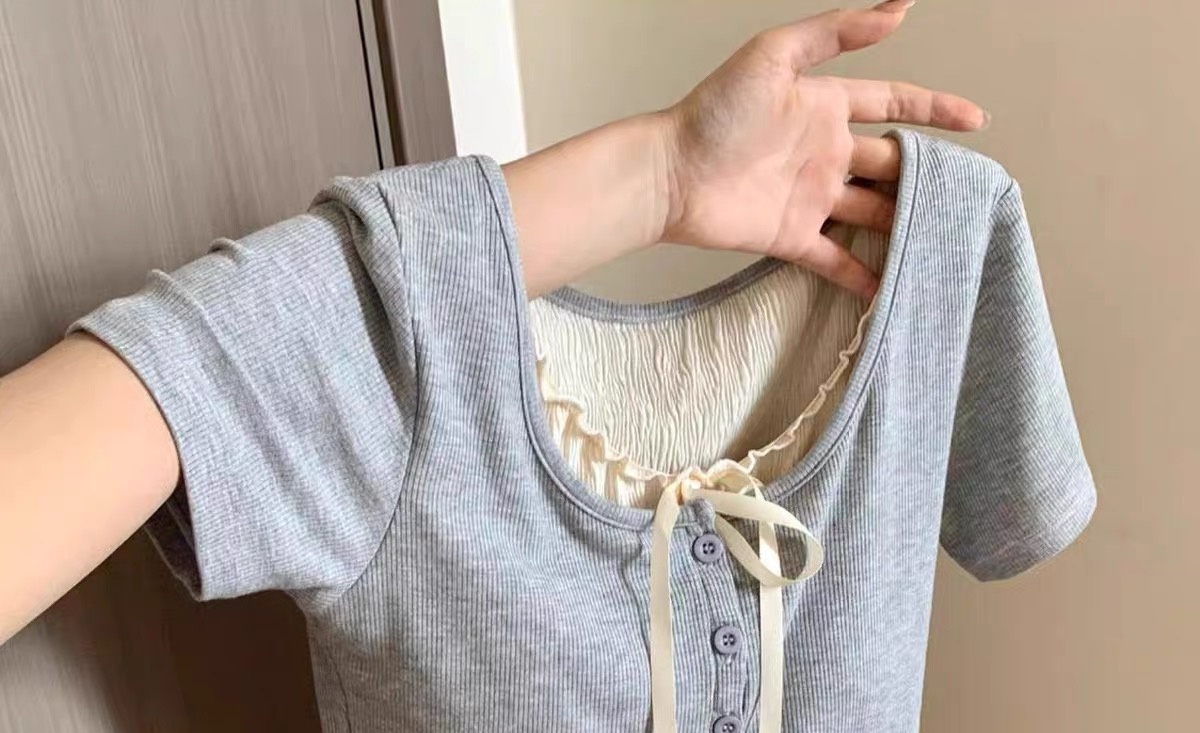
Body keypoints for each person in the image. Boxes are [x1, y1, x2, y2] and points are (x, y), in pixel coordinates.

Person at [0, 0, 986, 644]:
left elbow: (1014, 520)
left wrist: (669, 174)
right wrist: (660, 176)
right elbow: (197, 368)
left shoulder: (951, 237)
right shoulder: (400, 411)